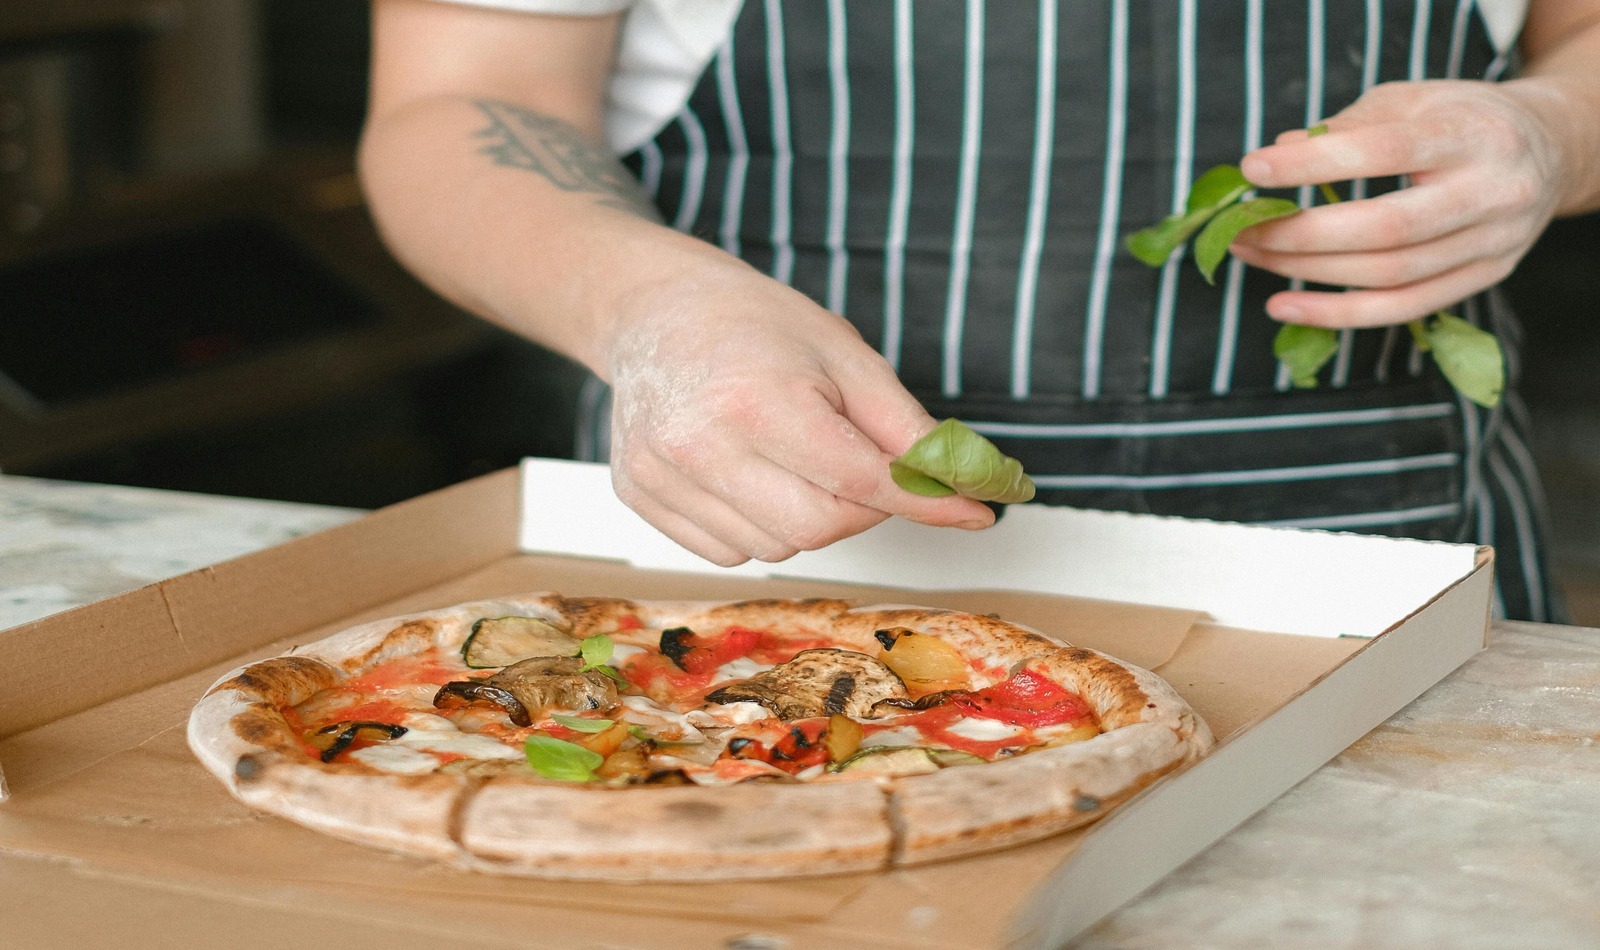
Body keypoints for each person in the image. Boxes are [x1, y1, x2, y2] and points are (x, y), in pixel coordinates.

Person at [359, 0, 1600, 622]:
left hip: (1385, 555)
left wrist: (1554, 131)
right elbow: (462, 94)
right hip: (753, 560)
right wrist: (649, 306)